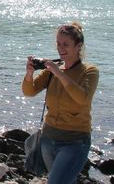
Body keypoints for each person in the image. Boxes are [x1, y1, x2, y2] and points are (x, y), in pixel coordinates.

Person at [22, 22, 99, 184]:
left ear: (78, 46)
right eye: (58, 43)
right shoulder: (52, 70)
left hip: (75, 142)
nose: (60, 48)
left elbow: (83, 98)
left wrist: (59, 73)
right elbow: (29, 92)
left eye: (65, 44)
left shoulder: (89, 71)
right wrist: (29, 73)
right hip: (48, 139)